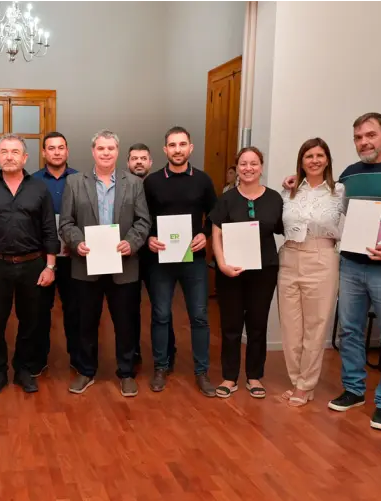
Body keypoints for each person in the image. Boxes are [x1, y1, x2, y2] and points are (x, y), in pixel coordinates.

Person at [285, 113, 381, 430]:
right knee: (349, 332)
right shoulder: (349, 176)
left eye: (371, 135)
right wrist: (294, 184)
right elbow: (327, 209)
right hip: (353, 266)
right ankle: (354, 390)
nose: (364, 142)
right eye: (358, 137)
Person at [60, 130, 151, 397]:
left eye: (111, 148)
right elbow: (66, 222)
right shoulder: (74, 182)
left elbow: (143, 221)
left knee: (125, 322)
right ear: (93, 151)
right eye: (101, 148)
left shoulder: (133, 183)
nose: (106, 153)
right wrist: (77, 242)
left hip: (124, 265)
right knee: (86, 322)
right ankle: (86, 371)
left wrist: (131, 243)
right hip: (86, 265)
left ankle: (126, 373)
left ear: (117, 151)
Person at [0, 134, 59, 396]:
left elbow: (49, 230)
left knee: (31, 321)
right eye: (4, 152)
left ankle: (23, 369)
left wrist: (50, 267)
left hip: (33, 264)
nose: (9, 156)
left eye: (15, 152)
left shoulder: (39, 188)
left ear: (25, 157)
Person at [144, 127, 217, 395]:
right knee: (161, 314)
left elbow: (215, 214)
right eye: (172, 145)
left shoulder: (203, 180)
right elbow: (142, 218)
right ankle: (161, 367)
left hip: (193, 259)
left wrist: (205, 235)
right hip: (160, 259)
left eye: (182, 144)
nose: (177, 149)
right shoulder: (152, 182)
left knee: (199, 316)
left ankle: (202, 372)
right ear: (165, 149)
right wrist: (149, 238)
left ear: (190, 148)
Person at [209, 146, 283, 399]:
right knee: (230, 326)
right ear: (237, 167)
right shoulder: (227, 199)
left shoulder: (275, 199)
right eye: (243, 163)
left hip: (264, 271)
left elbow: (285, 227)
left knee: (257, 324)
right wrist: (221, 264)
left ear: (261, 167)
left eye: (253, 163)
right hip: (231, 270)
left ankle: (254, 376)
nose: (248, 168)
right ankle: (229, 377)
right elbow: (216, 233)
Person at [277, 138, 344, 407]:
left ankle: (305, 385)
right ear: (301, 161)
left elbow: (357, 222)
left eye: (319, 155)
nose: (314, 160)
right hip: (289, 256)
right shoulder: (290, 191)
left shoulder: (339, 191)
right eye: (309, 156)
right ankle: (297, 379)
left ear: (327, 160)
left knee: (316, 326)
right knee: (290, 326)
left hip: (322, 257)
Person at [32, 132, 80, 373]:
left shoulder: (81, 180)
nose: (57, 152)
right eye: (51, 148)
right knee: (39, 310)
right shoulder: (32, 181)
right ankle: (38, 359)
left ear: (67, 151)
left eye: (61, 147)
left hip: (74, 257)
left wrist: (77, 242)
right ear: (44, 153)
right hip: (42, 258)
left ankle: (78, 359)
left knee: (76, 310)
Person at [127, 142, 177, 368]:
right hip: (129, 256)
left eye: (143, 158)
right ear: (128, 162)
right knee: (129, 307)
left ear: (150, 162)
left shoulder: (161, 185)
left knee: (161, 306)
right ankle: (133, 352)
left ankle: (168, 352)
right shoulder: (122, 186)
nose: (139, 162)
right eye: (134, 158)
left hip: (157, 256)